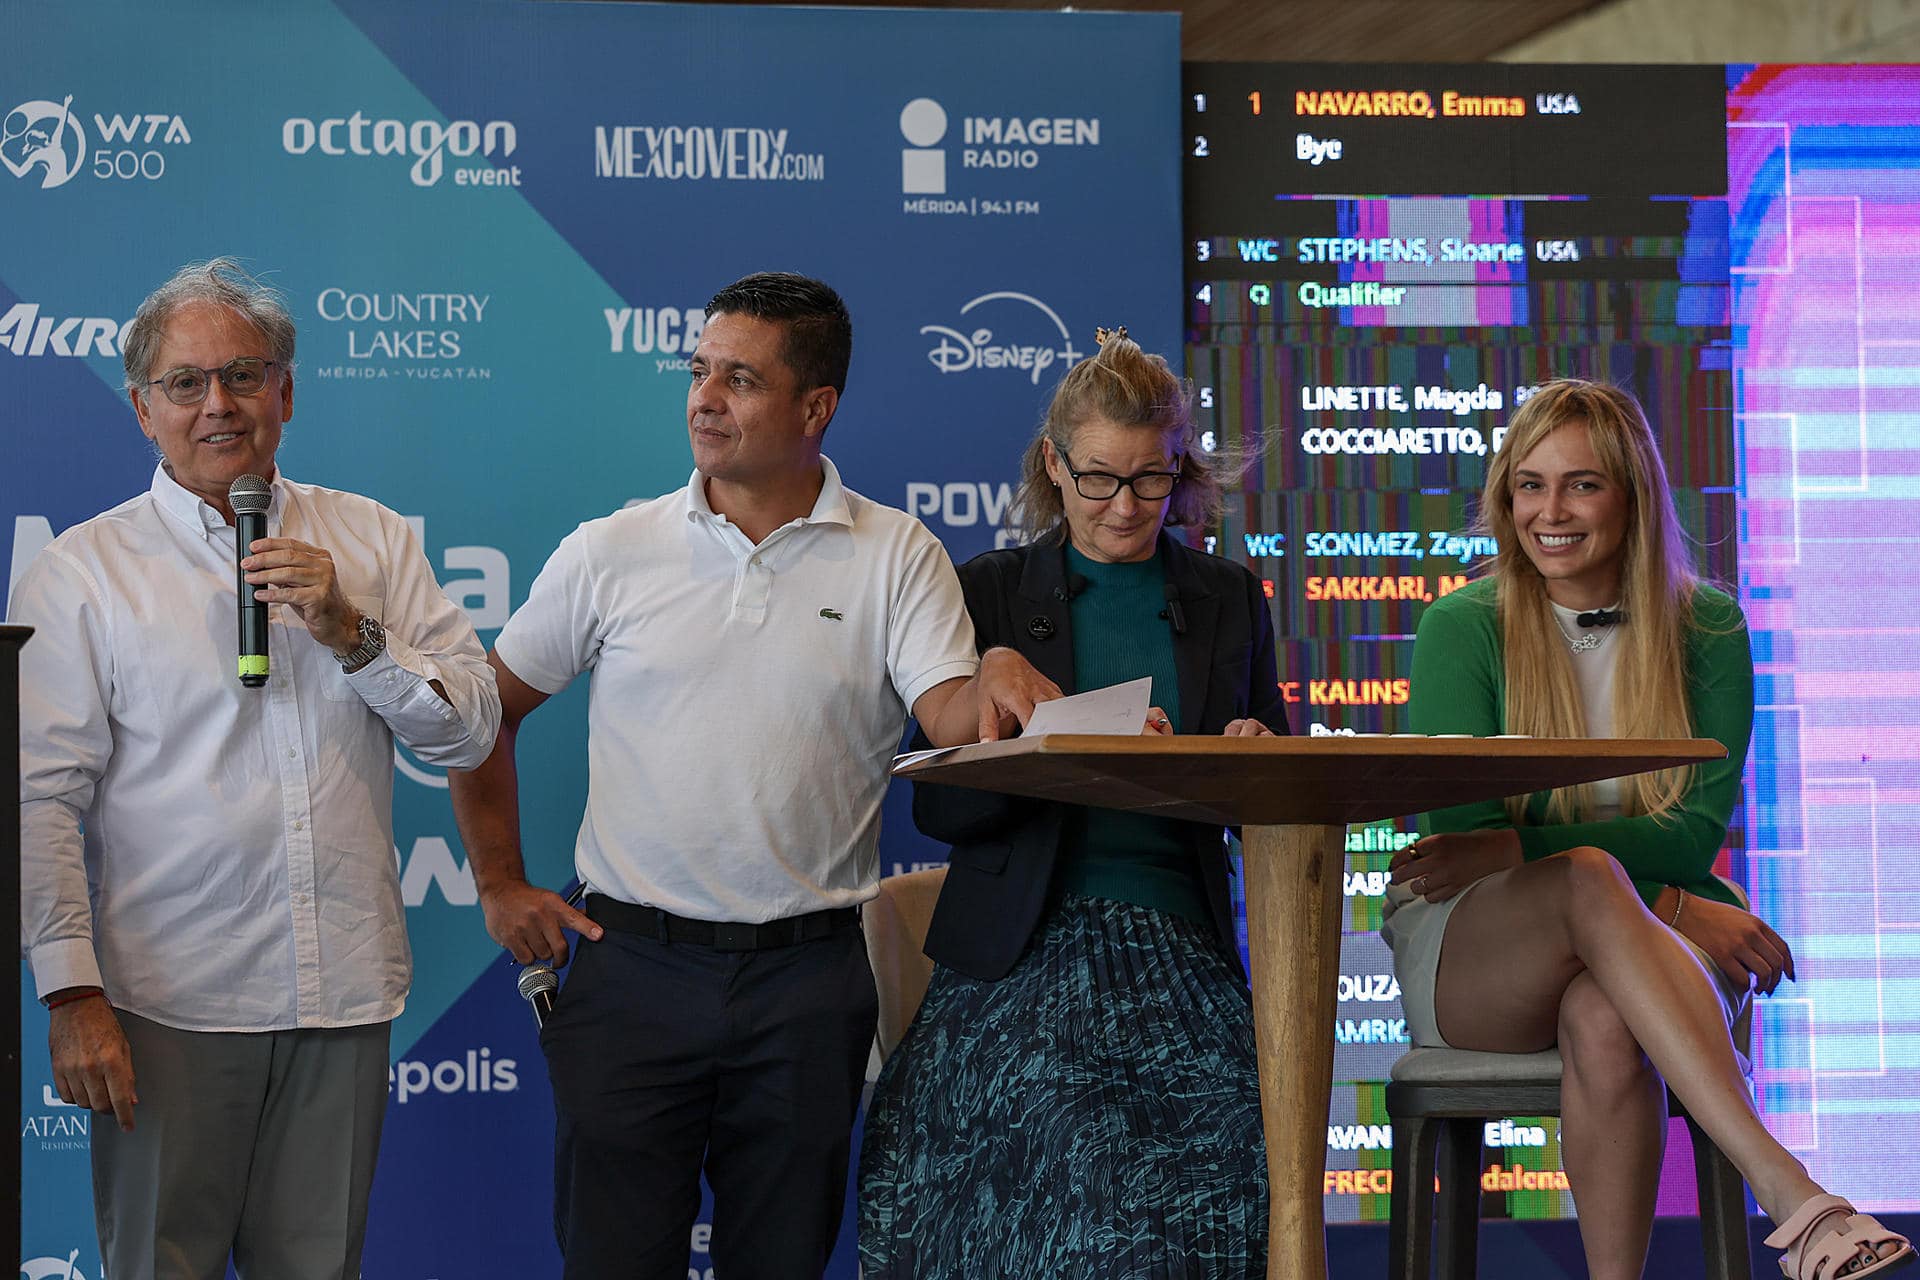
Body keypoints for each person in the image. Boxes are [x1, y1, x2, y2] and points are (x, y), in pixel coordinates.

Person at [447, 271, 1060, 1280]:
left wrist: (993, 667)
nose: (705, 397)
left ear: (816, 407)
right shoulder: (614, 549)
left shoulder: (897, 551)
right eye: (700, 371)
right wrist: (499, 880)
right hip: (629, 970)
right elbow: (483, 715)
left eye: (740, 378)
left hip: (807, 986)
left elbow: (951, 715)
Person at [14, 257, 502, 1280]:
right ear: (143, 408)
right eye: (187, 383)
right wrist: (70, 993)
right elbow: (39, 801)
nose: (219, 404)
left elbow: (465, 732)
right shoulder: (83, 570)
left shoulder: (367, 538)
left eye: (245, 374)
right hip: (165, 1005)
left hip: (342, 994)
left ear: (287, 390)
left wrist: (351, 630)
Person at [1384, 378, 1912, 1280]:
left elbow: (1689, 833)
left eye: (1582, 484)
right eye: (1528, 485)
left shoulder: (1707, 627)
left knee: (1604, 1010)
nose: (1551, 511)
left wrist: (1566, 856)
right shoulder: (1458, 627)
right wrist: (1671, 900)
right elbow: (1463, 845)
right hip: (1480, 947)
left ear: (1632, 496)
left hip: (1649, 935)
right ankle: (1793, 1195)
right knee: (1588, 874)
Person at [859, 328, 1286, 1279]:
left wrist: (1246, 762)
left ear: (1181, 471)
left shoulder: (1228, 598)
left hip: (1179, 947)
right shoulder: (990, 594)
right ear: (1054, 465)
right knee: (1052, 1128)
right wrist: (1044, 752)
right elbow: (945, 812)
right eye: (1099, 478)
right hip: (1020, 952)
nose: (1126, 507)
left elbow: (1277, 796)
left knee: (1229, 1149)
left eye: (1151, 479)